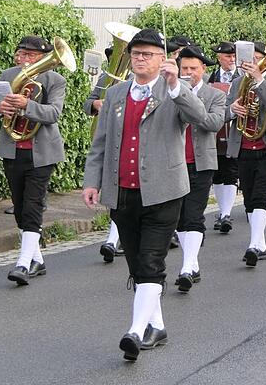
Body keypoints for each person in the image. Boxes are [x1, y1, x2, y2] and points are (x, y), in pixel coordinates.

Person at [82, 28, 207, 361]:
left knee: (152, 260)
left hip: (164, 191)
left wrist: (176, 85)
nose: (140, 59)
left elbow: (202, 118)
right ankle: (158, 326)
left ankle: (135, 331)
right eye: (136, 53)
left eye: (148, 54)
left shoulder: (175, 90)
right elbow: (101, 142)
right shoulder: (116, 94)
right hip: (122, 189)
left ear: (162, 58)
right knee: (137, 262)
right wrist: (92, 181)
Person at [0, 36, 67, 285]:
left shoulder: (55, 79)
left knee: (33, 205)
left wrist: (26, 104)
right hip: (13, 149)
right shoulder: (7, 74)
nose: (23, 59)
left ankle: (22, 264)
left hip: (42, 152)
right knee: (20, 205)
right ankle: (37, 260)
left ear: (42, 58)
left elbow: (53, 113)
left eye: (30, 55)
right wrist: (1, 108)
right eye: (20, 53)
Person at [226, 41, 266, 267]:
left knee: (262, 193)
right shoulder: (236, 83)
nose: (252, 64)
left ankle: (253, 244)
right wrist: (232, 109)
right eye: (249, 60)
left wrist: (259, 80)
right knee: (250, 196)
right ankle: (259, 243)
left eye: (256, 60)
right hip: (243, 145)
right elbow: (224, 112)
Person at [173, 46, 226, 292]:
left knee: (194, 215)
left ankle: (187, 266)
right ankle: (191, 264)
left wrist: (191, 104)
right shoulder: (170, 92)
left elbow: (215, 123)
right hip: (173, 164)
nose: (189, 72)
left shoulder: (214, 94)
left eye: (193, 68)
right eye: (184, 68)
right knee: (179, 218)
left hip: (201, 163)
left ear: (203, 70)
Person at [85, 47, 129, 263]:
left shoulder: (137, 80)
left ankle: (113, 239)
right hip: (110, 138)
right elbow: (88, 102)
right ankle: (113, 239)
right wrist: (96, 104)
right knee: (116, 193)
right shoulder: (106, 77)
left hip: (129, 141)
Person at [208, 42, 241, 233]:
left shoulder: (241, 76)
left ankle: (226, 213)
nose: (232, 59)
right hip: (217, 128)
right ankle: (222, 211)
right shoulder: (211, 77)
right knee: (218, 171)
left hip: (235, 126)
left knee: (231, 169)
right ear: (219, 57)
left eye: (233, 55)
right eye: (228, 56)